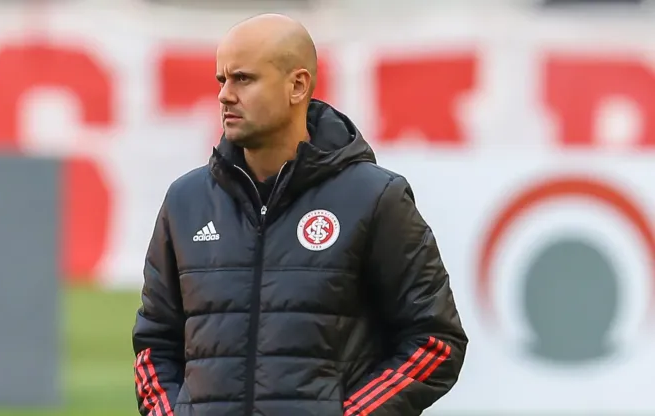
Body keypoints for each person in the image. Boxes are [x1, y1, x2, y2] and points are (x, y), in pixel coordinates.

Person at [132, 13, 468, 416]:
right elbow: (155, 344)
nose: (224, 95)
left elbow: (435, 340)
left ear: (297, 85)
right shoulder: (185, 201)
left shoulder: (375, 197)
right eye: (222, 80)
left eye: (243, 78)